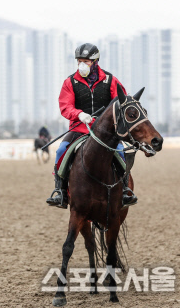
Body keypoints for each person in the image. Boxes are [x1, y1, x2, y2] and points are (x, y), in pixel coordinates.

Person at [46, 43, 136, 209]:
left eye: (86, 61)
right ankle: (60, 191)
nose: (82, 64)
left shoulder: (111, 80)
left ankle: (125, 189)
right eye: (79, 61)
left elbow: (121, 103)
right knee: (61, 150)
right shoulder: (70, 82)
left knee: (121, 151)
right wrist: (79, 114)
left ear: (95, 62)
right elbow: (65, 106)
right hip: (79, 129)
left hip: (106, 132)